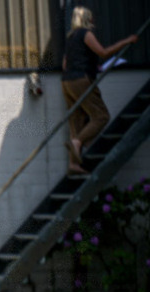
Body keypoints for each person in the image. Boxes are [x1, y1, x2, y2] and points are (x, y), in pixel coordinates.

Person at [61, 6, 138, 175]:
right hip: (81, 79)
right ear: (87, 19)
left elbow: (65, 64)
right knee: (101, 116)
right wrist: (127, 41)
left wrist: (89, 65)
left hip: (66, 81)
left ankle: (73, 164)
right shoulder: (85, 34)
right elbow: (103, 52)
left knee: (77, 120)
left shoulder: (71, 37)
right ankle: (78, 142)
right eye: (91, 17)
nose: (94, 20)